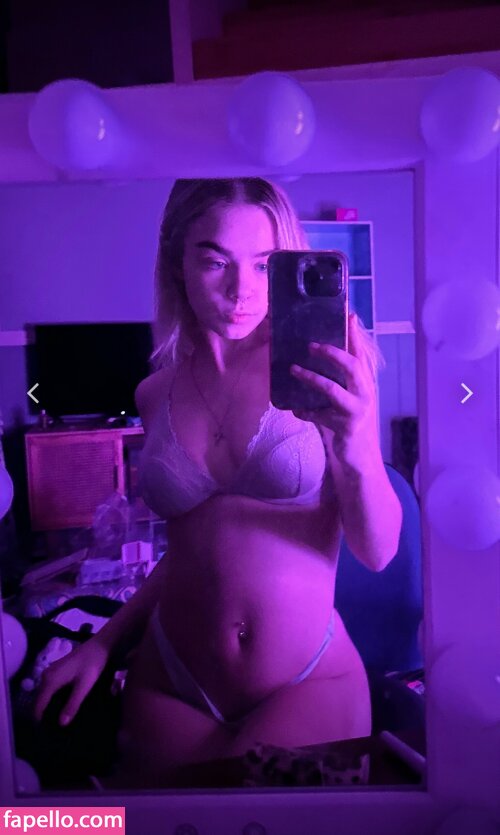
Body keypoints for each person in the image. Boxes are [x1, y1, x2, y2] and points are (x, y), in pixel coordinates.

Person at [35, 178, 402, 787]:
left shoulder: (324, 368)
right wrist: (103, 644)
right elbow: (191, 550)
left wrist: (358, 444)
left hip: (307, 681)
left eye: (263, 264)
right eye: (215, 262)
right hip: (170, 681)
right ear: (176, 262)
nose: (242, 291)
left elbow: (379, 550)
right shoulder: (154, 393)